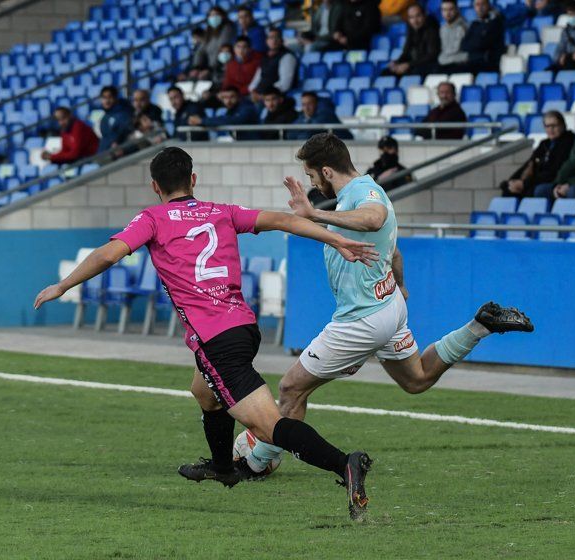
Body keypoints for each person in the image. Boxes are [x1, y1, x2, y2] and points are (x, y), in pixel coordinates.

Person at [32, 146, 378, 521]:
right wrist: (336, 238)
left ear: (154, 186)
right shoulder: (222, 212)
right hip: (243, 327)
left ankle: (345, 463)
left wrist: (64, 285)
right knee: (202, 390)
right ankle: (223, 467)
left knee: (268, 425)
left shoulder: (152, 218)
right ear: (193, 180)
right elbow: (282, 220)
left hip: (216, 340)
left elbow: (109, 254)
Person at [241, 133, 533, 479]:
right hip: (388, 306)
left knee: (292, 387)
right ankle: (480, 326)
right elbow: (393, 250)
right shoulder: (361, 192)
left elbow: (374, 219)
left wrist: (315, 214)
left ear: (327, 171)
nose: (312, 183)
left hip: (362, 319)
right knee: (417, 379)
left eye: (312, 176)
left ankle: (257, 462)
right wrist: (402, 284)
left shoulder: (362, 195)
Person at [499, 111, 575, 198]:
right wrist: (511, 181)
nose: (551, 129)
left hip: (553, 181)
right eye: (547, 126)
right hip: (535, 181)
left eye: (554, 126)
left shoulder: (569, 142)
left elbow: (554, 171)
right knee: (509, 190)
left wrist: (524, 184)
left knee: (532, 191)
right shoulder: (544, 144)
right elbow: (529, 163)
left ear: (563, 125)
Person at [384, 4, 440, 77]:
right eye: (411, 17)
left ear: (424, 15)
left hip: (427, 65)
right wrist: (396, 62)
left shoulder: (432, 28)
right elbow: (406, 52)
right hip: (413, 64)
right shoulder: (411, 28)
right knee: (386, 72)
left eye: (418, 16)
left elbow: (432, 55)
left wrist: (409, 65)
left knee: (414, 72)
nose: (415, 21)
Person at [187, 86, 261, 141]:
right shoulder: (231, 109)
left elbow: (233, 120)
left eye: (232, 97)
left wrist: (202, 121)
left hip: (257, 145)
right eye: (225, 97)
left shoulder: (247, 107)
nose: (228, 101)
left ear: (239, 97)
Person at [249, 29, 298, 102]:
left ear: (282, 40)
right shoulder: (265, 57)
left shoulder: (287, 57)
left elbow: (285, 84)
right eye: (271, 37)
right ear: (267, 41)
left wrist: (265, 95)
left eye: (277, 37)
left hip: (274, 98)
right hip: (259, 95)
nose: (274, 40)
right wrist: (252, 90)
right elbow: (257, 78)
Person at [187, 7, 236, 80]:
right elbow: (200, 51)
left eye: (216, 15)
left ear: (223, 16)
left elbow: (222, 48)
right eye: (212, 15)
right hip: (211, 67)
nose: (214, 17)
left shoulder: (227, 28)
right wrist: (196, 67)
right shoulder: (209, 32)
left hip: (221, 68)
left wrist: (209, 69)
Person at [457, 0, 505, 74]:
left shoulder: (496, 22)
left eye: (483, 4)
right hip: (473, 63)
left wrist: (474, 43)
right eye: (477, 5)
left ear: (488, 5)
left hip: (489, 64)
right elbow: (464, 45)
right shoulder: (474, 24)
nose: (480, 8)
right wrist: (477, 42)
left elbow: (483, 43)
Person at [286, 91, 352, 140]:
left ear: (316, 104)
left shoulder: (326, 114)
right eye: (304, 104)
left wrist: (299, 134)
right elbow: (290, 134)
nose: (306, 108)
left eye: (309, 104)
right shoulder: (302, 116)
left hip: (346, 145)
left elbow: (310, 133)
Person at [98, 86, 134, 153]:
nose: (107, 101)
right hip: (106, 155)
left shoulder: (124, 113)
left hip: (120, 153)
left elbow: (124, 132)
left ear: (116, 98)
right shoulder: (105, 117)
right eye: (104, 97)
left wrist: (115, 142)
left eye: (110, 97)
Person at [437, 0, 469, 72]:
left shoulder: (464, 27)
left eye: (450, 9)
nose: (447, 13)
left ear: (457, 10)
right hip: (444, 63)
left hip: (459, 65)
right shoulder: (442, 28)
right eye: (444, 10)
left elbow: (458, 52)